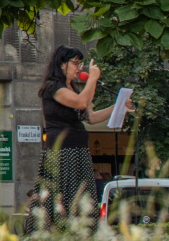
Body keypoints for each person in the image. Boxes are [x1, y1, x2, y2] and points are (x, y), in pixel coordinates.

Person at [28, 45, 134, 231]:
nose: (79, 68)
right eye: (75, 63)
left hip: (79, 150)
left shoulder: (73, 89)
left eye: (80, 63)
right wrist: (92, 79)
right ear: (62, 64)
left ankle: (81, 232)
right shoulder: (53, 87)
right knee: (64, 195)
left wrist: (118, 106)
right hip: (63, 151)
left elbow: (91, 117)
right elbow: (82, 102)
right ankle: (57, 230)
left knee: (82, 197)